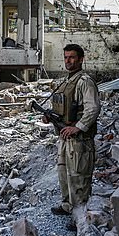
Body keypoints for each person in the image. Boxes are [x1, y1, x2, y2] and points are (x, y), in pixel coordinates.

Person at [46, 44, 100, 216]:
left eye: (72, 57)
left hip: (80, 141)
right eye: (66, 57)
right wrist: (49, 116)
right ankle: (67, 206)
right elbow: (62, 106)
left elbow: (93, 108)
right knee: (64, 175)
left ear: (81, 59)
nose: (68, 61)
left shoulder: (85, 82)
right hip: (65, 138)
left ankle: (80, 217)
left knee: (79, 178)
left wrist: (77, 127)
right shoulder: (67, 81)